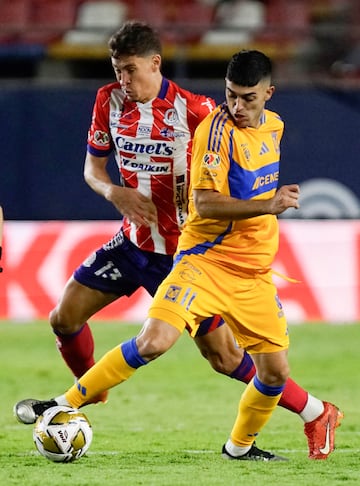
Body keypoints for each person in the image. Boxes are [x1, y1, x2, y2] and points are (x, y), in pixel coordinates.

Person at [14, 24, 342, 460]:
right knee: (64, 318)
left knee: (226, 359)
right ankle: (82, 398)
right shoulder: (107, 100)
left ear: (155, 63)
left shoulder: (199, 113)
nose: (124, 81)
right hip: (132, 243)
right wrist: (114, 192)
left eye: (130, 70)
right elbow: (93, 169)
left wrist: (255, 218)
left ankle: (311, 411)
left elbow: (219, 191)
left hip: (184, 253)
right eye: (117, 71)